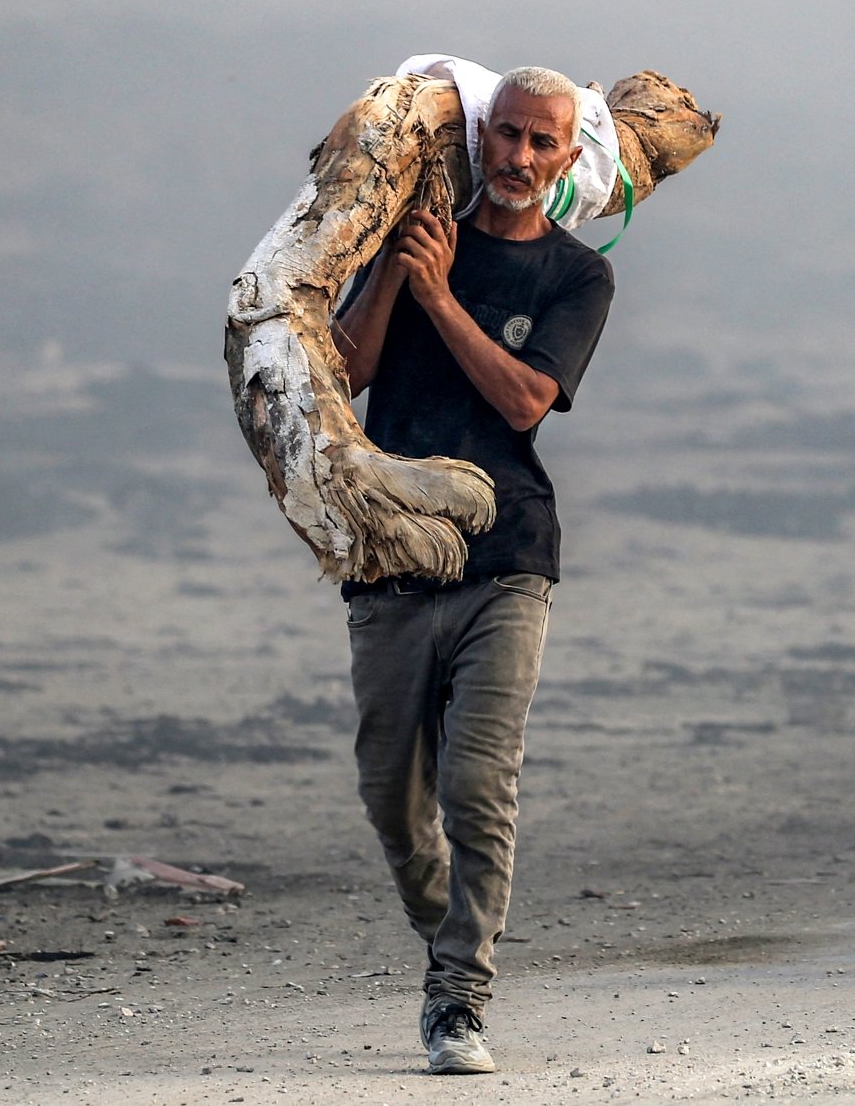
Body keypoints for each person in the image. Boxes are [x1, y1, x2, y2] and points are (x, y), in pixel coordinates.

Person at [332, 66, 615, 1074]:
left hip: (507, 555)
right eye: (507, 137)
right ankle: (450, 933)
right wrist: (395, 274)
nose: (521, 159)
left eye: (543, 143)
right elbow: (352, 372)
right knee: (391, 800)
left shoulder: (576, 276)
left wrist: (440, 296)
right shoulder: (413, 234)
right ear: (476, 138)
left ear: (568, 158)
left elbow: (524, 401)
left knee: (476, 783)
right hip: (391, 555)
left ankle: (458, 998)